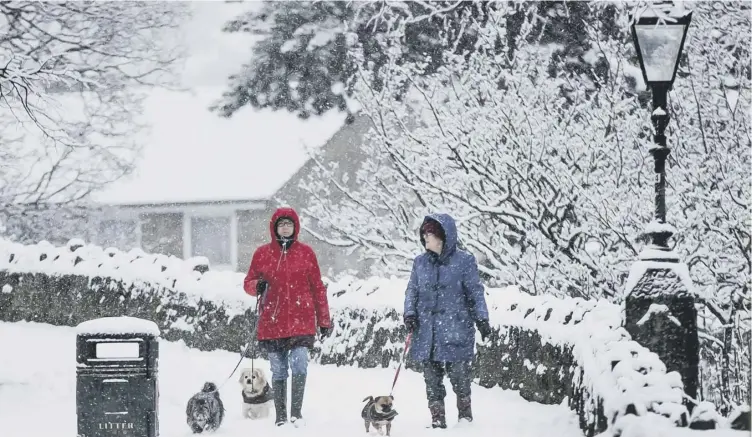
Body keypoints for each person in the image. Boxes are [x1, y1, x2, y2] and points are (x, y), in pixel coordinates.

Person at [243, 207, 333, 427]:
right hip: (272, 322)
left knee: (300, 362)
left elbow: (318, 288)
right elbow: (248, 283)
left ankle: (296, 414)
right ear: (274, 228)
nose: (285, 228)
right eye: (281, 224)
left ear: (295, 227)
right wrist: (257, 286)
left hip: (301, 320)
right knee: (279, 368)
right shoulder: (262, 254)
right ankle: (281, 417)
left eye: (289, 224)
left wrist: (324, 320)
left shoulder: (306, 253)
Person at [403, 213, 492, 429]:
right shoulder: (420, 263)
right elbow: (412, 291)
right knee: (431, 378)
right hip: (427, 330)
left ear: (443, 237)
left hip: (456, 328)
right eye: (424, 235)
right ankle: (437, 418)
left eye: (429, 235)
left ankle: (465, 414)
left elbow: (475, 292)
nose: (426, 239)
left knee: (459, 374)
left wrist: (481, 318)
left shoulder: (464, 261)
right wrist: (410, 314)